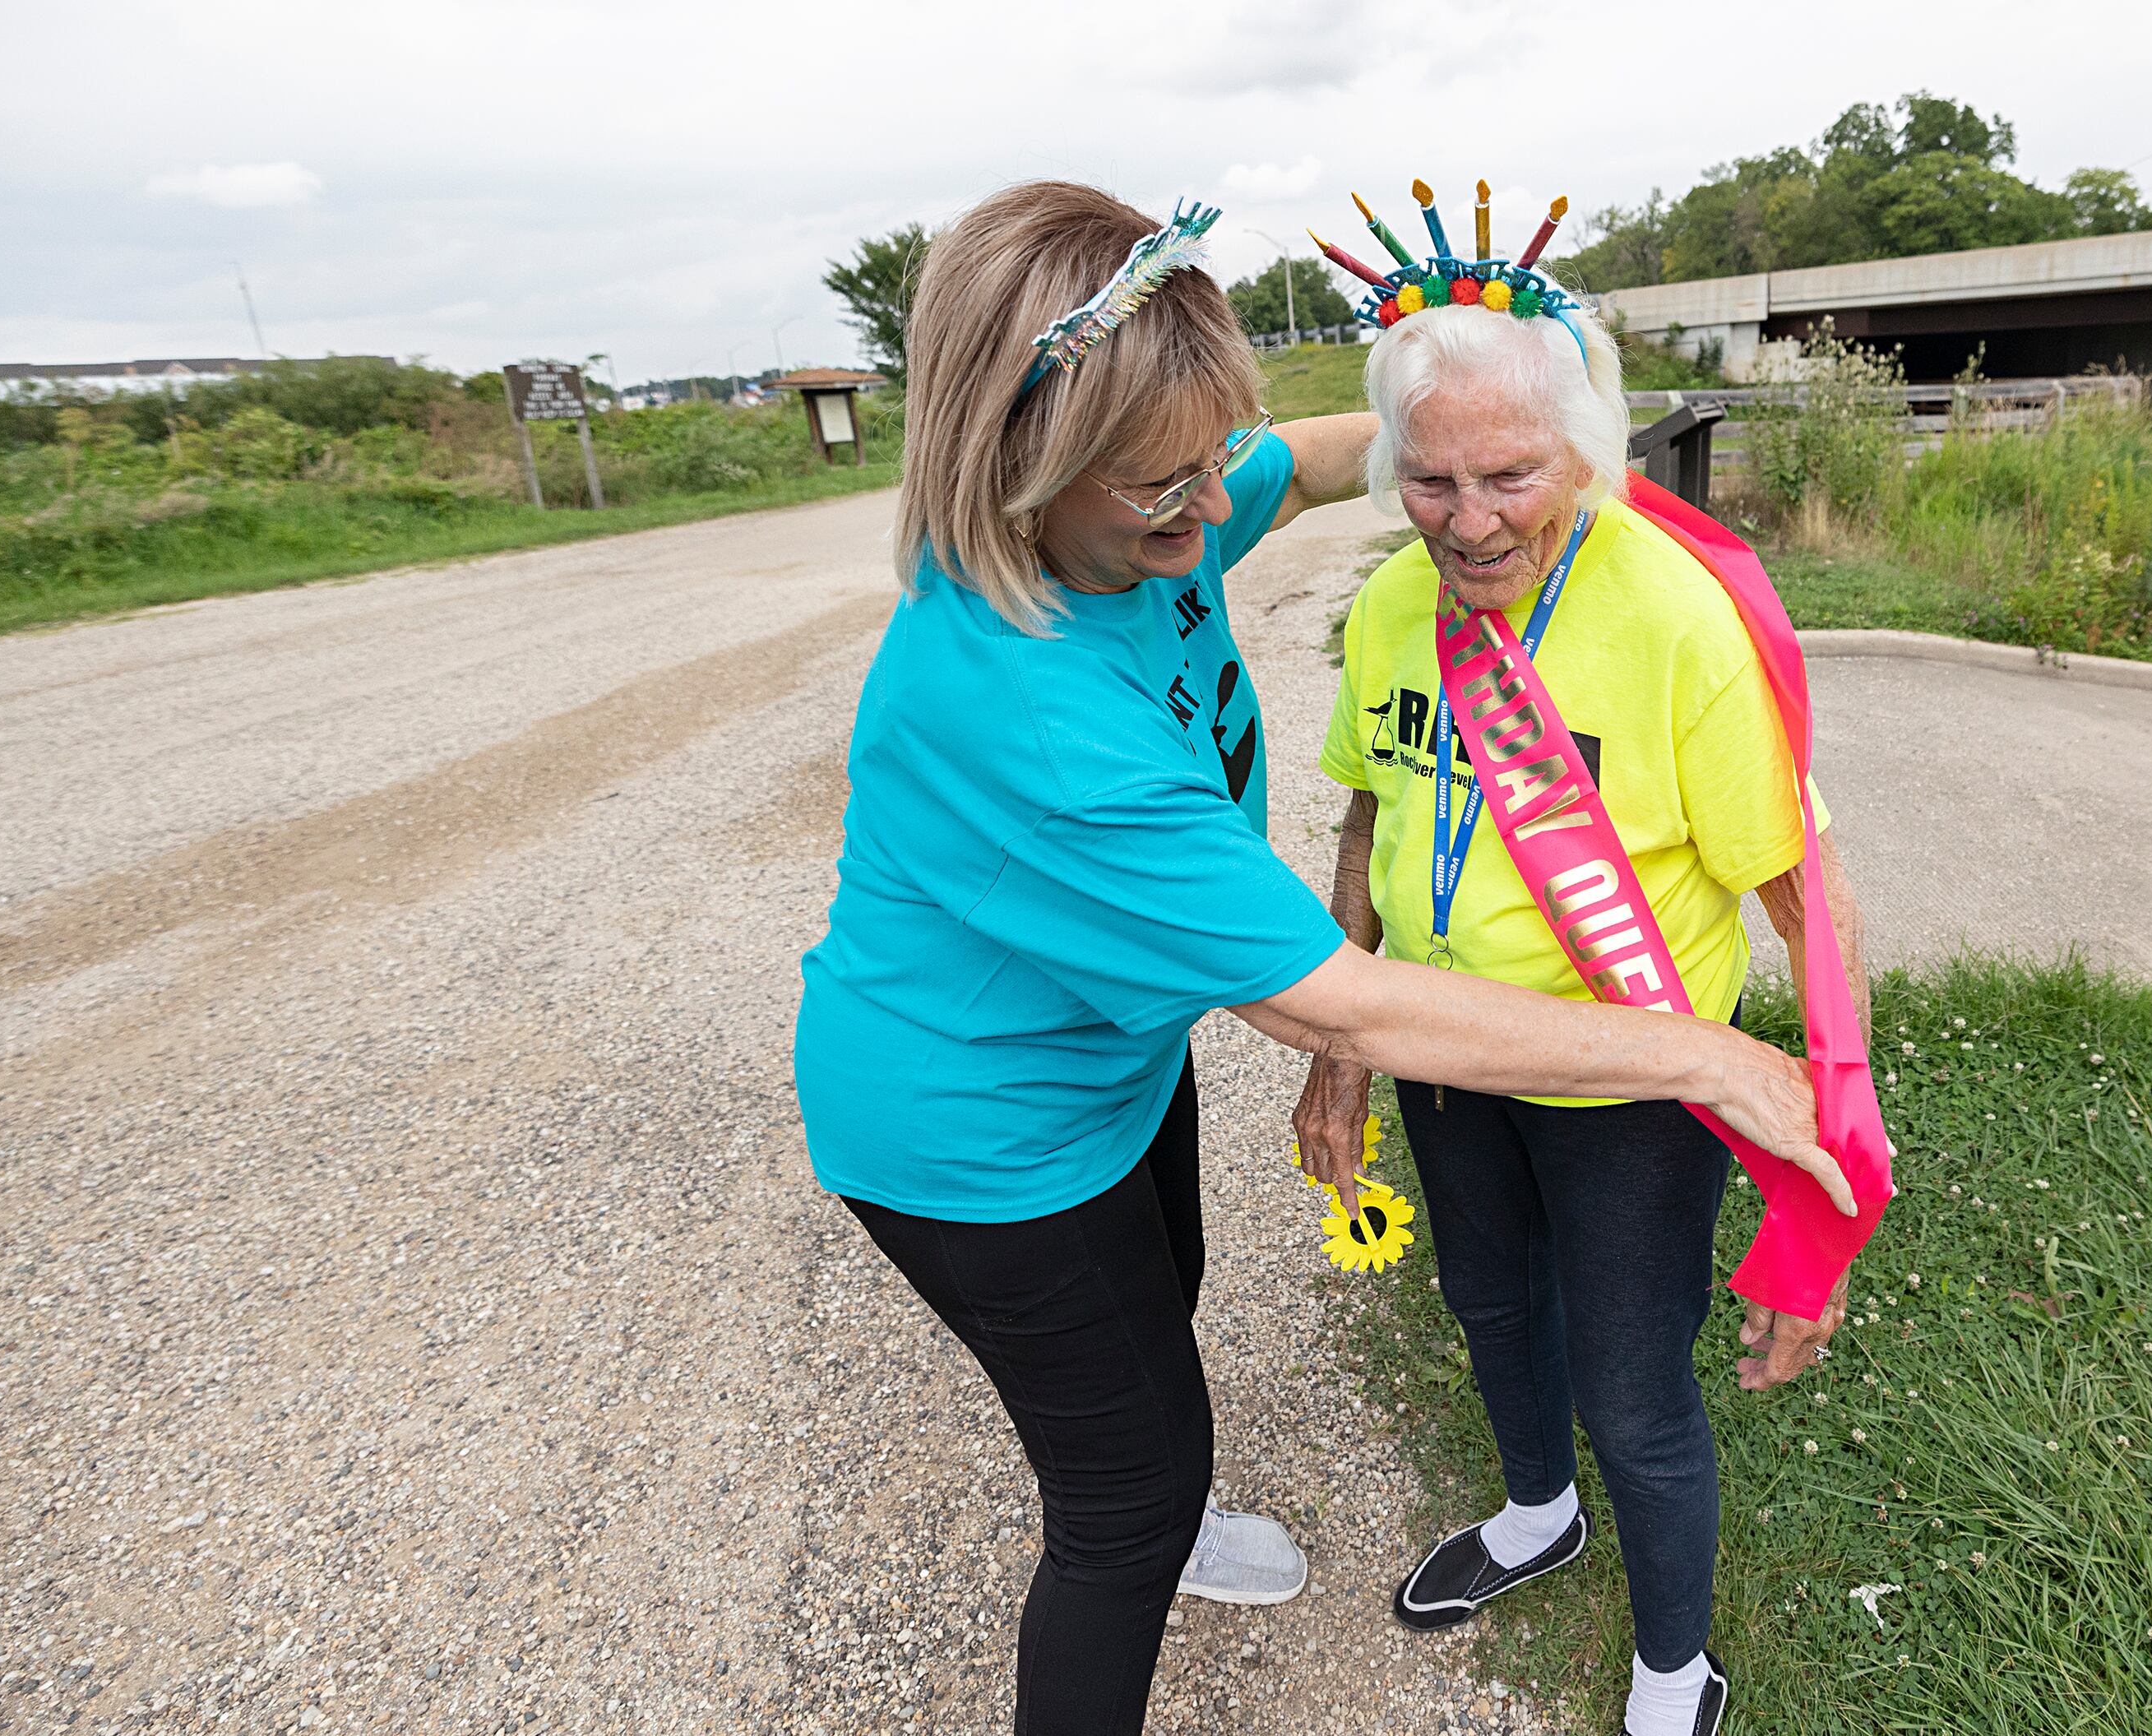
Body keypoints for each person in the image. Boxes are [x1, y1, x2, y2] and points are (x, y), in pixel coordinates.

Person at [791, 181, 1854, 1736]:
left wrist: (1521, 418)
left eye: (1205, 462)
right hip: (972, 1128)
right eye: (1157, 493)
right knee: (1121, 1497)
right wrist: (1720, 1058)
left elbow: (1334, 457)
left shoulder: (1151, 509)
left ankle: (1169, 1494)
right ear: (1016, 473)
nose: (1208, 514)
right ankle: (1156, 1524)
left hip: (1108, 1056)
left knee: (1174, 1289)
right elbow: (1330, 999)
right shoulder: (1028, 717)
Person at [1289, 298, 1877, 1736]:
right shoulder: (1387, 610)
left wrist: (1829, 1152)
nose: (1469, 521)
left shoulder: (1680, 622)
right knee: (1489, 1304)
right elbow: (1373, 810)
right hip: (1445, 1057)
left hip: (1629, 1079)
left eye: (1511, 478)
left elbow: (1803, 900)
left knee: (1632, 1387)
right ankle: (1537, 1515)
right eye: (1432, 479)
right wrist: (1343, 1065)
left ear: (1588, 458)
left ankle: (1677, 1665)